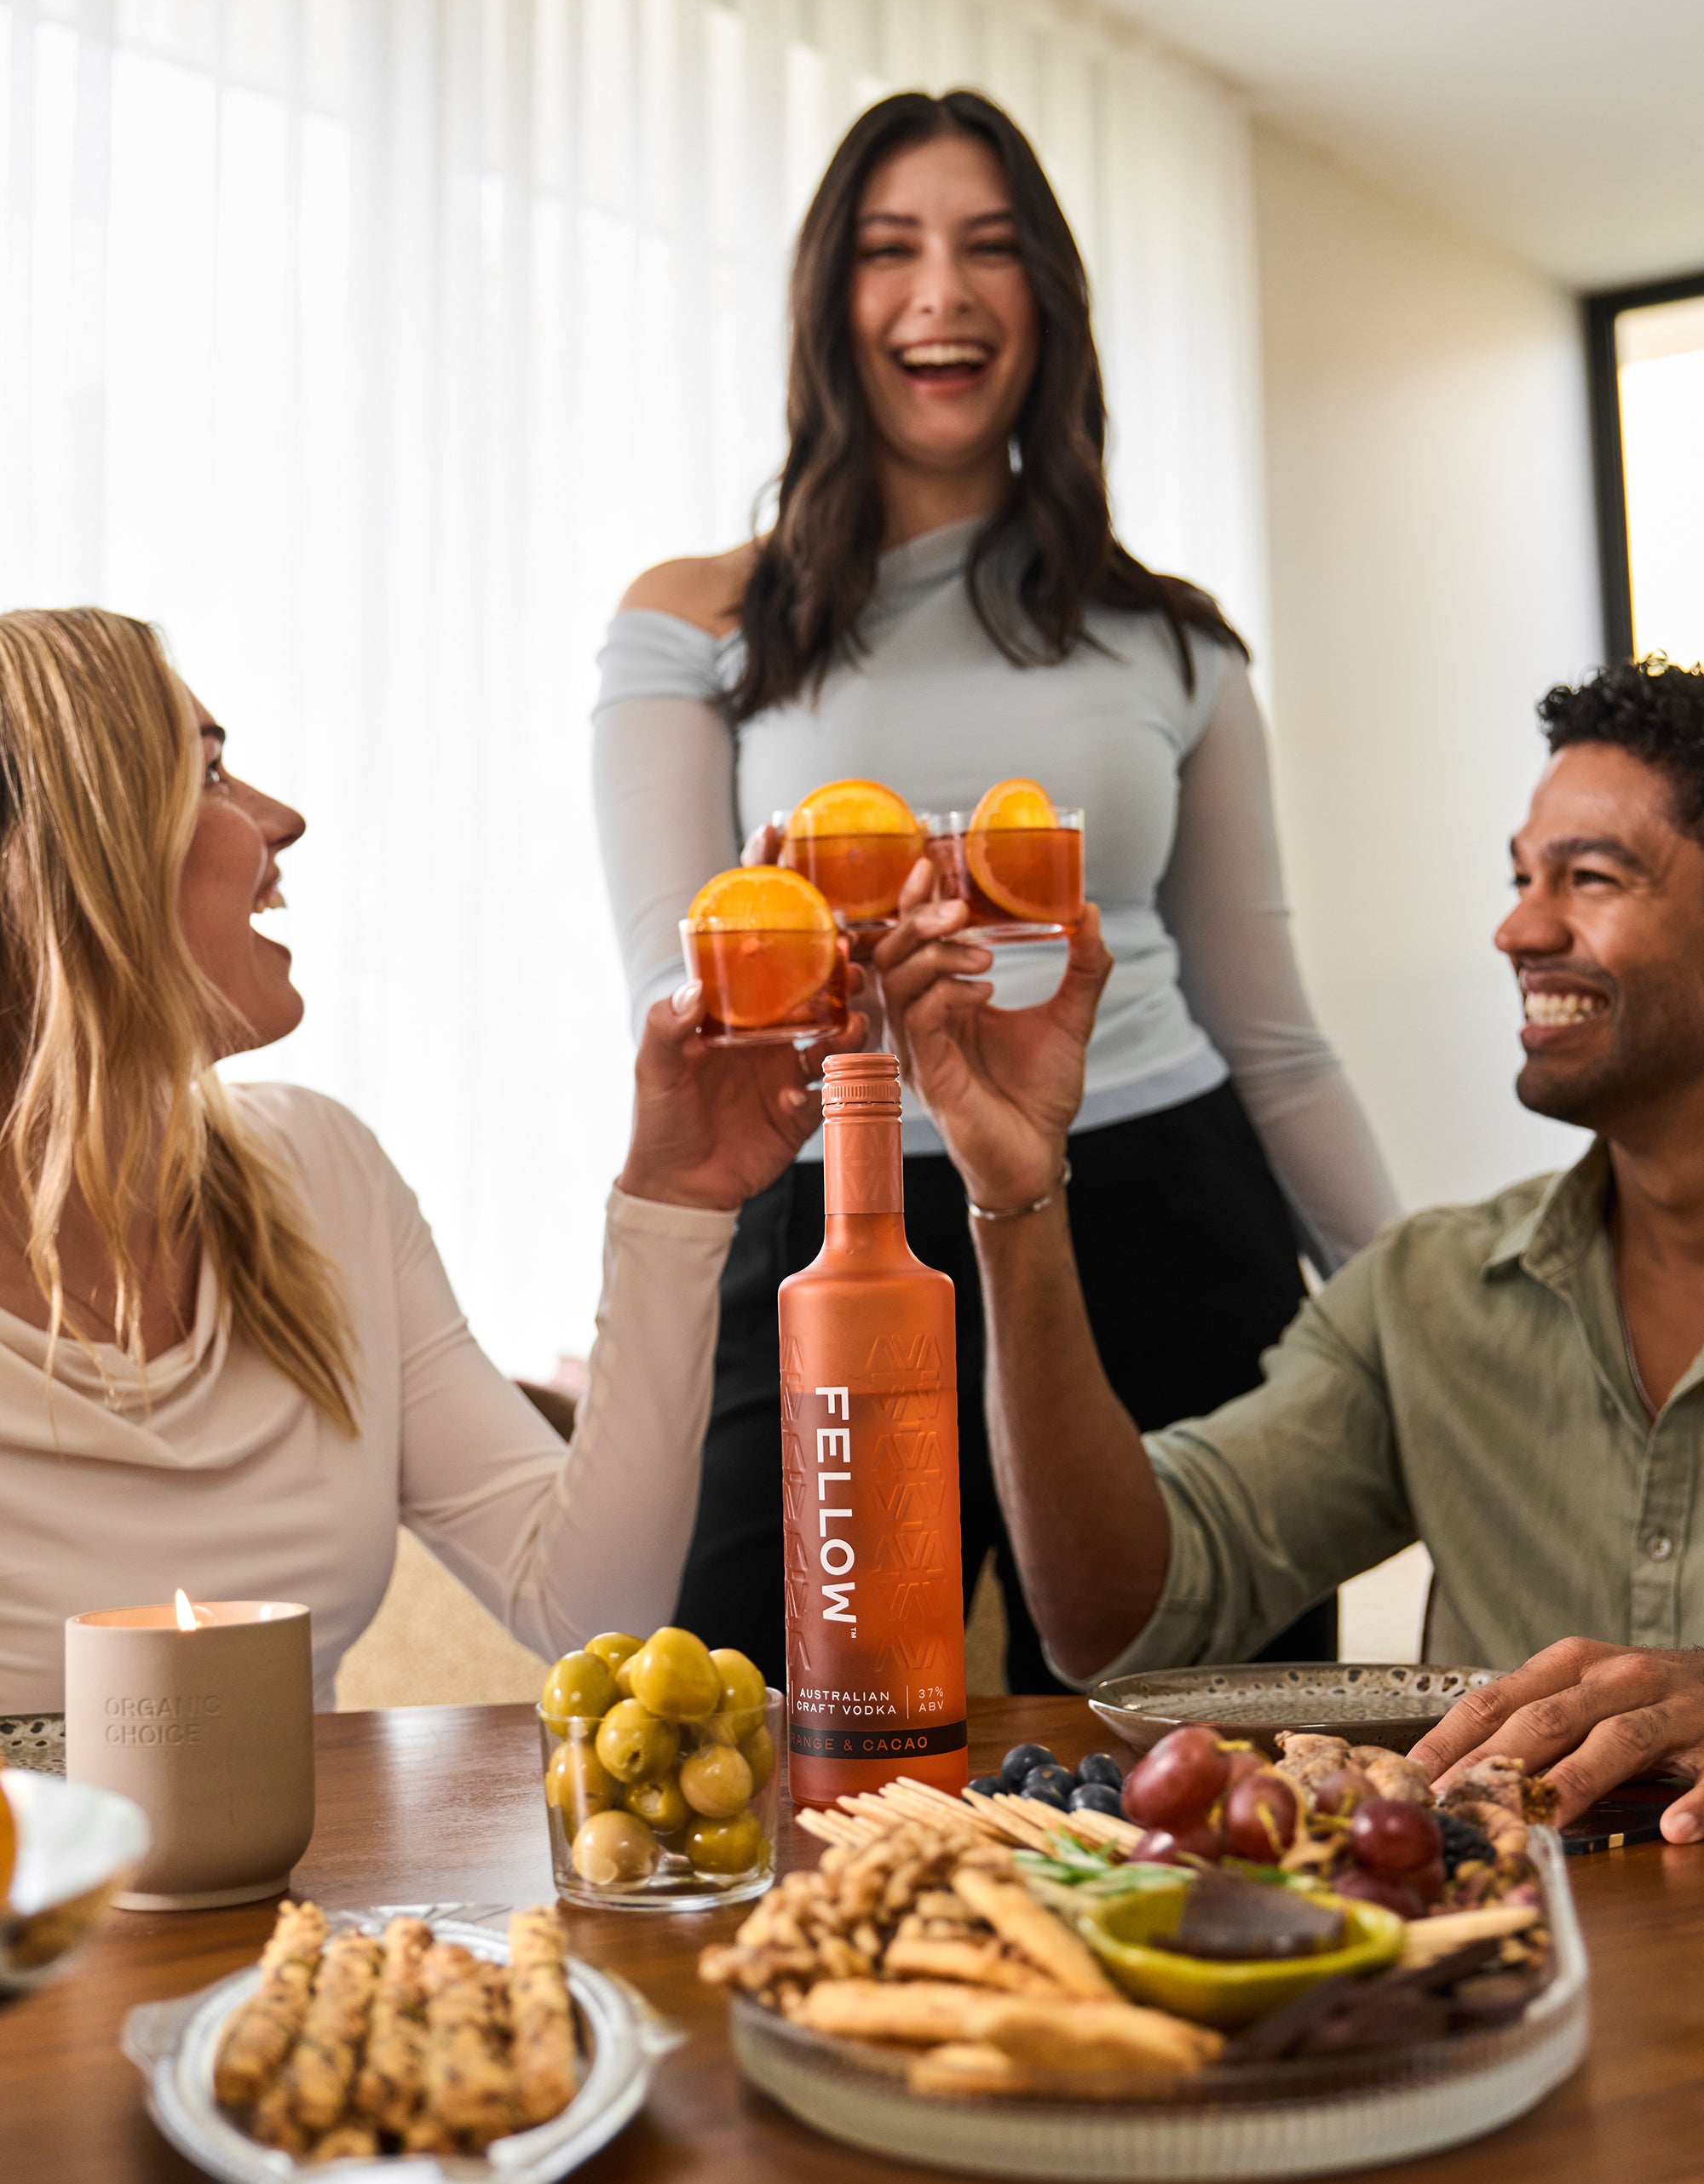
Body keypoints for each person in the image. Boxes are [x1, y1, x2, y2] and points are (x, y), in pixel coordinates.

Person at [593, 88, 1396, 1688]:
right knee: (758, 1722)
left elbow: (1277, 1037)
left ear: (1047, 303)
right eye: (892, 250)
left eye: (990, 248)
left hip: (1160, 1201)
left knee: (1185, 1753)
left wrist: (1424, 1316)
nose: (941, 292)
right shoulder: (695, 624)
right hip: (835, 1203)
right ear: (835, 307)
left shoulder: (1176, 643)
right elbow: (675, 1011)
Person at [877, 654, 1704, 1839]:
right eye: (1523, 876)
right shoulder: (1425, 1298)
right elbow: (1118, 1616)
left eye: (1591, 876)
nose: (1519, 926)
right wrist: (1018, 1190)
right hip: (1498, 1983)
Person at [0, 607, 861, 1716]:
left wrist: (677, 1198)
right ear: (65, 862)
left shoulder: (321, 1175)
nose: (282, 815)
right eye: (207, 771)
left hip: (305, 1891)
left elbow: (591, 1608)